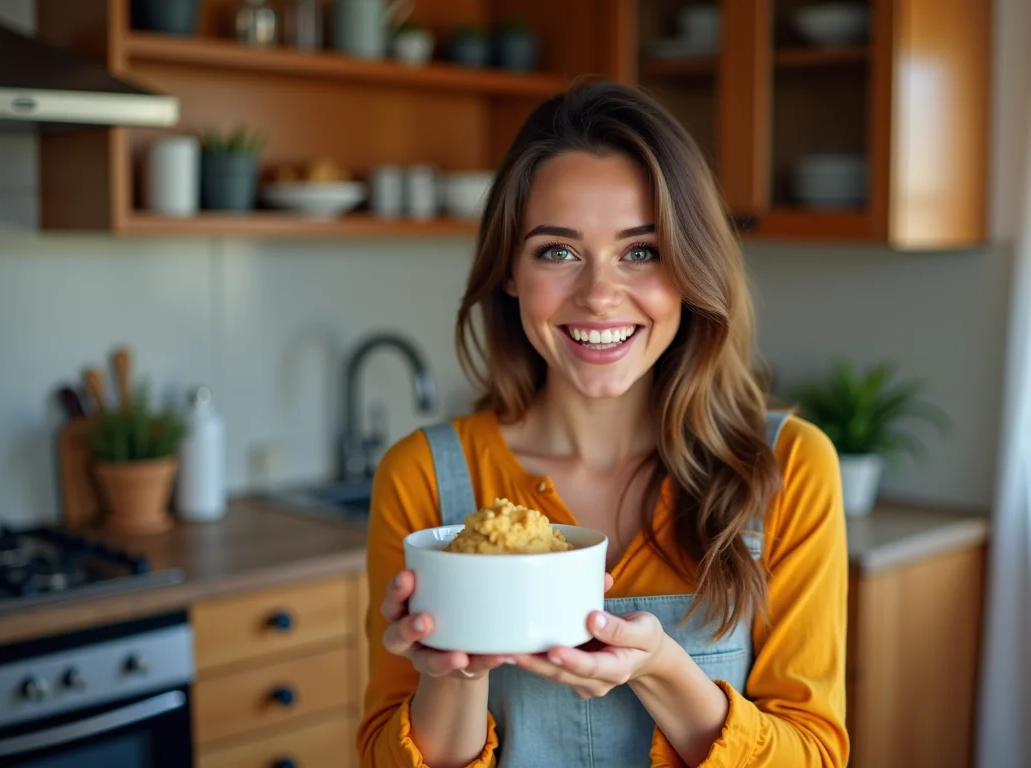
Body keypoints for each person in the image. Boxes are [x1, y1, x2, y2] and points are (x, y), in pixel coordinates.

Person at [356, 81, 848, 768]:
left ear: (691, 267)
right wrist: (455, 674)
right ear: (509, 272)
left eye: (641, 251)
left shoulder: (788, 468)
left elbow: (815, 755)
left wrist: (663, 670)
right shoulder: (423, 477)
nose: (598, 296)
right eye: (558, 252)